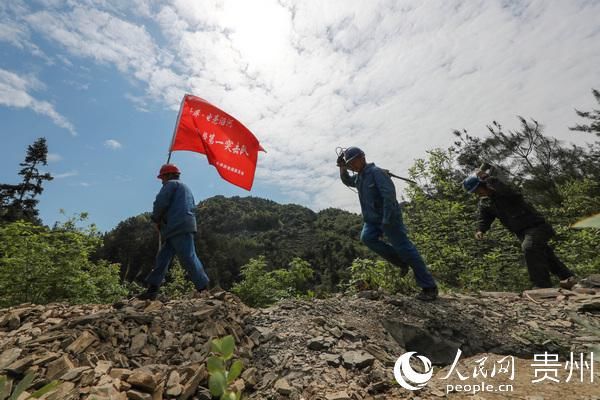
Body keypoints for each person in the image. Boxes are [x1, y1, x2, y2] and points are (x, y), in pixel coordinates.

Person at [338, 147, 439, 301]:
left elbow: (389, 196)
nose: (351, 166)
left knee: (405, 248)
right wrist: (342, 168)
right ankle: (400, 262)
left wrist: (386, 219)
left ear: (362, 158)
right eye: (349, 164)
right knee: (367, 238)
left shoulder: (376, 173)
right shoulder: (360, 177)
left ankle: (429, 287)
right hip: (372, 220)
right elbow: (347, 181)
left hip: (389, 217)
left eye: (353, 162)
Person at [463, 166, 577, 290]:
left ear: (483, 184)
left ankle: (542, 285)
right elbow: (484, 218)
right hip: (520, 232)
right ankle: (568, 278)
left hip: (537, 226)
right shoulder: (485, 202)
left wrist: (486, 177)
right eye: (474, 193)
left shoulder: (503, 191)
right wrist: (480, 230)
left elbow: (509, 191)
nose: (478, 194)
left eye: (478, 190)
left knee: (530, 248)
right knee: (544, 254)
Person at [137, 164, 210, 300]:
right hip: (179, 226)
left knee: (188, 256)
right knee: (163, 258)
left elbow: (160, 203)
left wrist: (156, 218)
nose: (162, 181)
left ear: (168, 175)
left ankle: (203, 287)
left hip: (177, 226)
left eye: (162, 178)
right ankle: (152, 289)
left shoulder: (170, 185)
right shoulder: (185, 188)